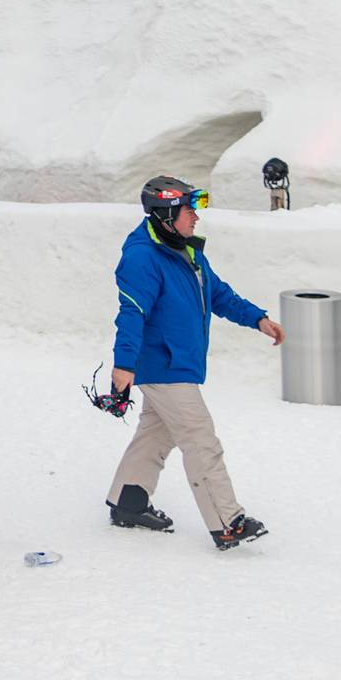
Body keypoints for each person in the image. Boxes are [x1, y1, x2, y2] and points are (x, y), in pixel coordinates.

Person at [105, 175, 282, 549]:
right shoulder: (142, 256)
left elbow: (218, 294)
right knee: (200, 438)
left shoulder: (186, 250)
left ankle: (129, 501)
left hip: (177, 362)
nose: (196, 217)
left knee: (158, 431)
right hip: (164, 365)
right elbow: (132, 312)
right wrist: (124, 365)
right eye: (190, 210)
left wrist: (258, 319)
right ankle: (228, 521)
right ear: (167, 214)